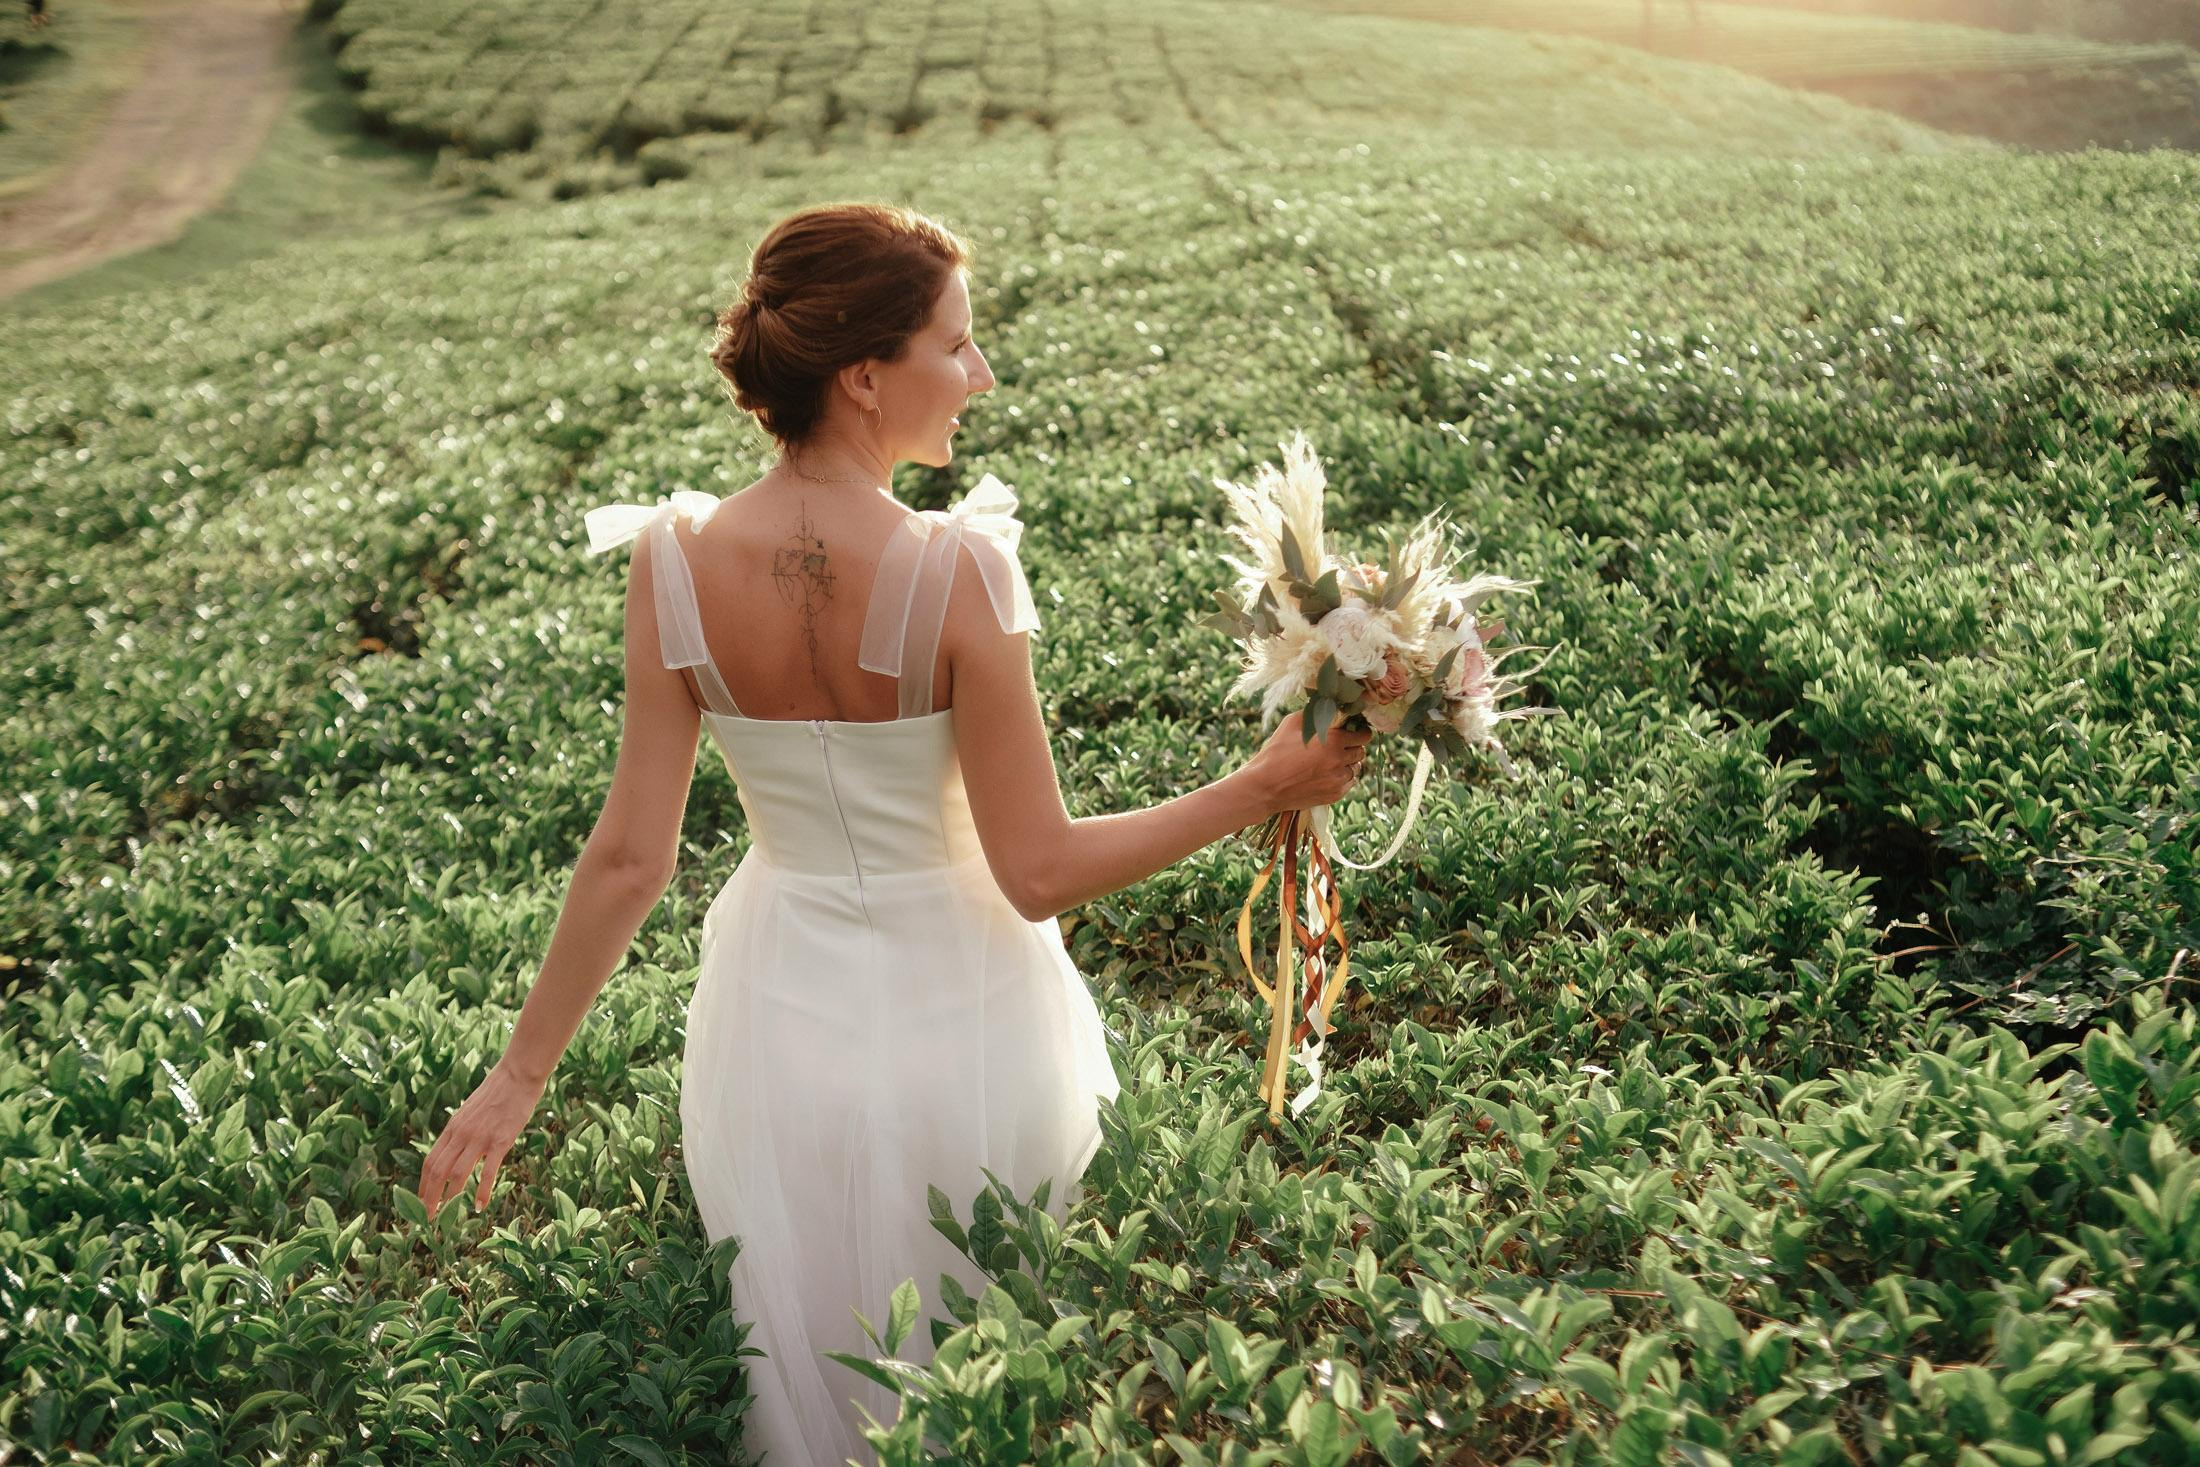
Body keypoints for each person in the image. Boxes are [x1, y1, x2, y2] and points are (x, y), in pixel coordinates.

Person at [411, 201, 1370, 1464]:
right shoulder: (961, 570)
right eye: (956, 347)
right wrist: (1258, 790)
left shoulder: (671, 561)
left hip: (772, 1026)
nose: (980, 375)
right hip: (965, 1017)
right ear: (865, 375)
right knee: (994, 1378)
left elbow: (632, 857)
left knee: (807, 1384)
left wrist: (519, 1075)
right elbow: (1037, 872)